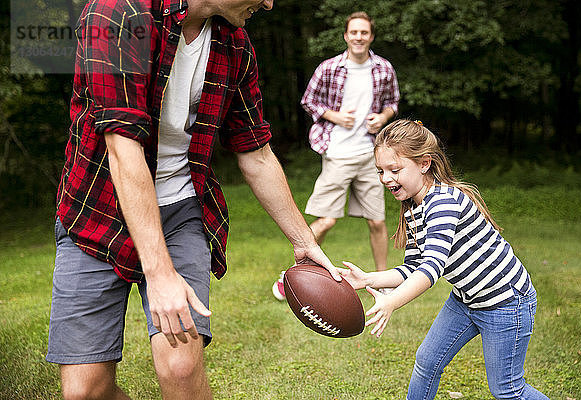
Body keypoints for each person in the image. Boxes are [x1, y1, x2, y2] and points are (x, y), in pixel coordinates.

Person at [46, 0, 340, 399]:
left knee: (181, 367)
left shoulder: (234, 43)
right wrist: (161, 274)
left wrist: (304, 242)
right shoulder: (117, 13)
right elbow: (122, 146)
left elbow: (254, 150)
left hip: (182, 209)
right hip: (97, 211)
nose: (270, 3)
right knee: (85, 392)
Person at [339, 119, 549, 399]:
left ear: (424, 163)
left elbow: (431, 268)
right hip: (467, 300)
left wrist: (392, 301)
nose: (386, 178)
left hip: (506, 302)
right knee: (427, 363)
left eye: (395, 169)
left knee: (507, 390)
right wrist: (368, 278)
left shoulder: (443, 202)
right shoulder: (413, 208)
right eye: (381, 171)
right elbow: (413, 266)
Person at [272, 11, 399, 300]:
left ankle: (382, 283)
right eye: (353, 32)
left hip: (370, 154)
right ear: (346, 35)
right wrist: (335, 116)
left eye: (364, 32)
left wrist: (383, 117)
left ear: (371, 36)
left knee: (377, 221)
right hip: (337, 153)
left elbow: (393, 102)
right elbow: (309, 101)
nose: (358, 37)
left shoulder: (383, 68)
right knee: (326, 220)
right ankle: (290, 276)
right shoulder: (329, 68)